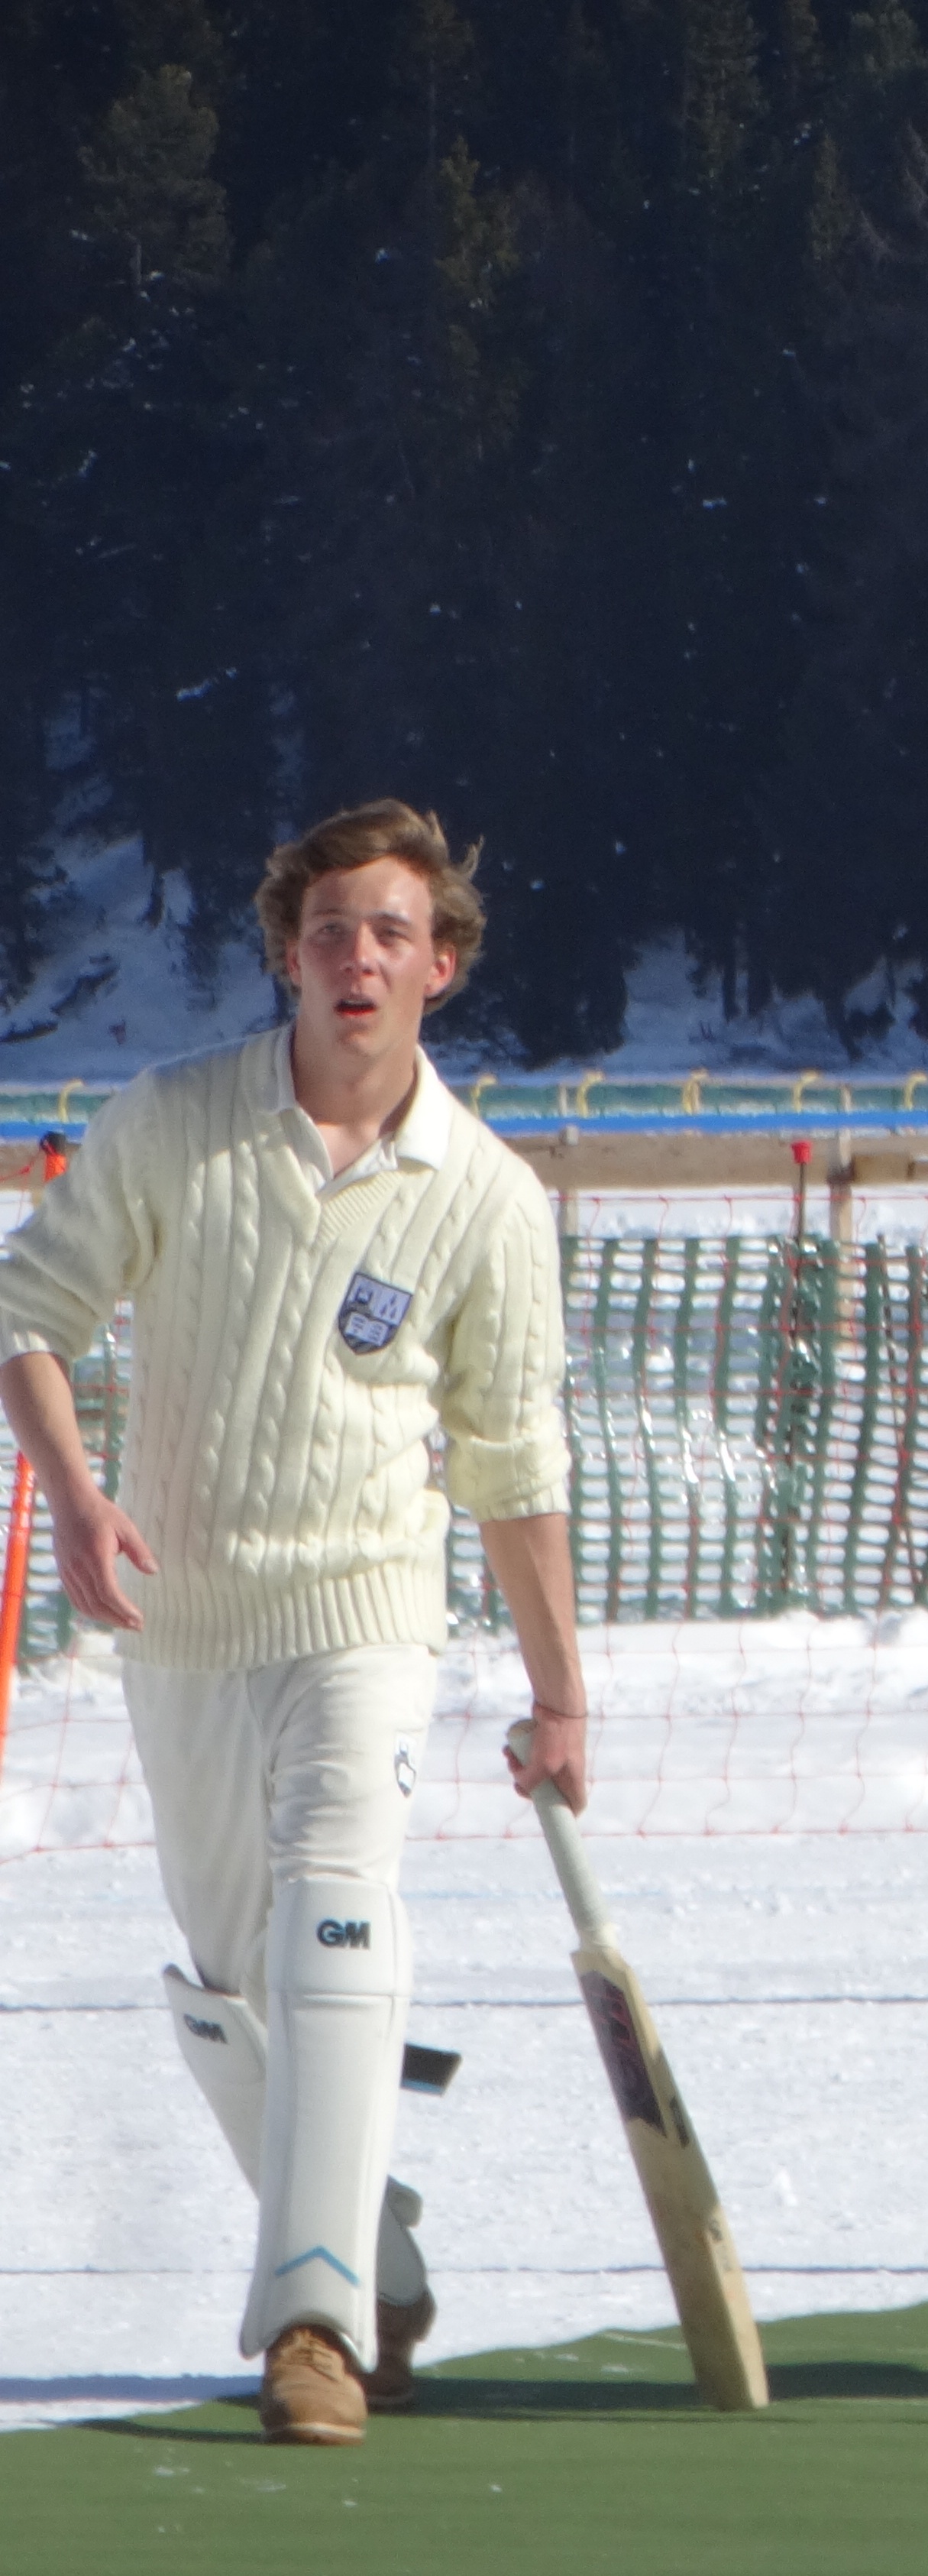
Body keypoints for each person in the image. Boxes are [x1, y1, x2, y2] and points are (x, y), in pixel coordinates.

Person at [0, 801, 587, 2445]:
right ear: (286, 953)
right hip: (184, 1618)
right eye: (331, 928)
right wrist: (78, 1488)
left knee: (340, 1911)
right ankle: (376, 2240)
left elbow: (516, 1461)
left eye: (393, 931)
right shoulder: (173, 1123)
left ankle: (310, 2317)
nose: (359, 957)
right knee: (227, 1985)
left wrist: (561, 1693)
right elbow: (28, 1310)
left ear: (442, 966)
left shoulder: (488, 1197)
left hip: (367, 1612)